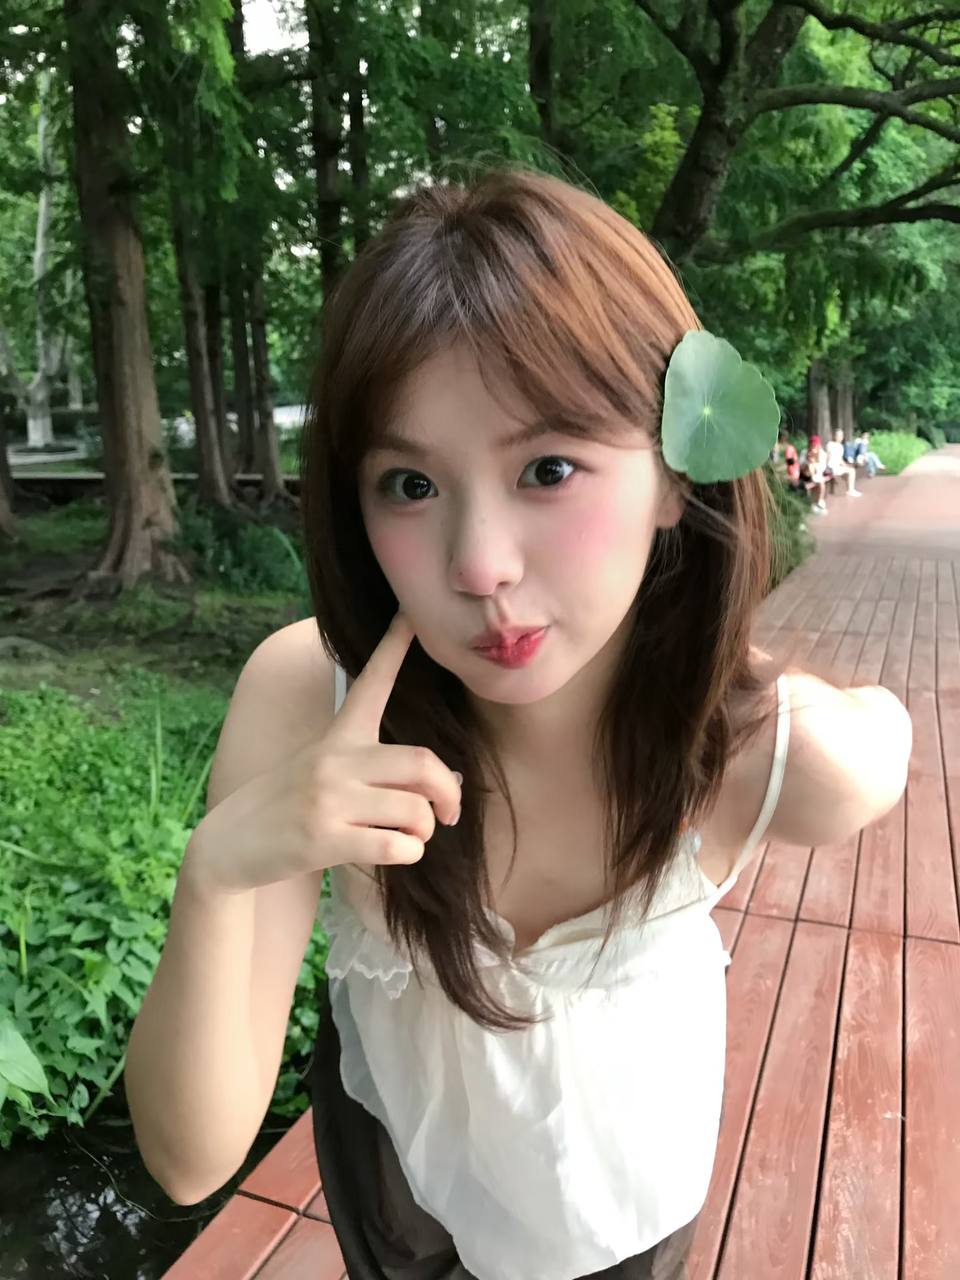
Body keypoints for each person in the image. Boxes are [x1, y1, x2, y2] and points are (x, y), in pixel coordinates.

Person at [123, 168, 913, 1280]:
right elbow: (189, 1161)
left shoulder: (760, 756)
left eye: (548, 468)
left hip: (624, 1201)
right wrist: (219, 870)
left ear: (674, 473)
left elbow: (883, 741)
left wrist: (786, 698)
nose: (479, 565)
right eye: (410, 485)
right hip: (397, 1176)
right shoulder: (310, 701)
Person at [824, 427, 862, 497]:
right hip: (831, 467)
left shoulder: (841, 446)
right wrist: (826, 468)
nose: (840, 437)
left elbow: (840, 460)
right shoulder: (830, 444)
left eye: (841, 435)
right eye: (838, 435)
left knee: (849, 472)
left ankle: (850, 489)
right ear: (834, 436)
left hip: (837, 467)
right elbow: (827, 457)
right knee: (852, 471)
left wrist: (846, 465)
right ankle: (850, 490)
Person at [799, 434, 829, 512]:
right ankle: (816, 503)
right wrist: (807, 461)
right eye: (812, 445)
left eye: (815, 445)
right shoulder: (804, 452)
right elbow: (801, 465)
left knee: (821, 484)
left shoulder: (822, 453)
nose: (813, 447)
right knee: (810, 466)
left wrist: (814, 464)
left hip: (817, 475)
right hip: (805, 475)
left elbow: (823, 467)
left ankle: (819, 501)